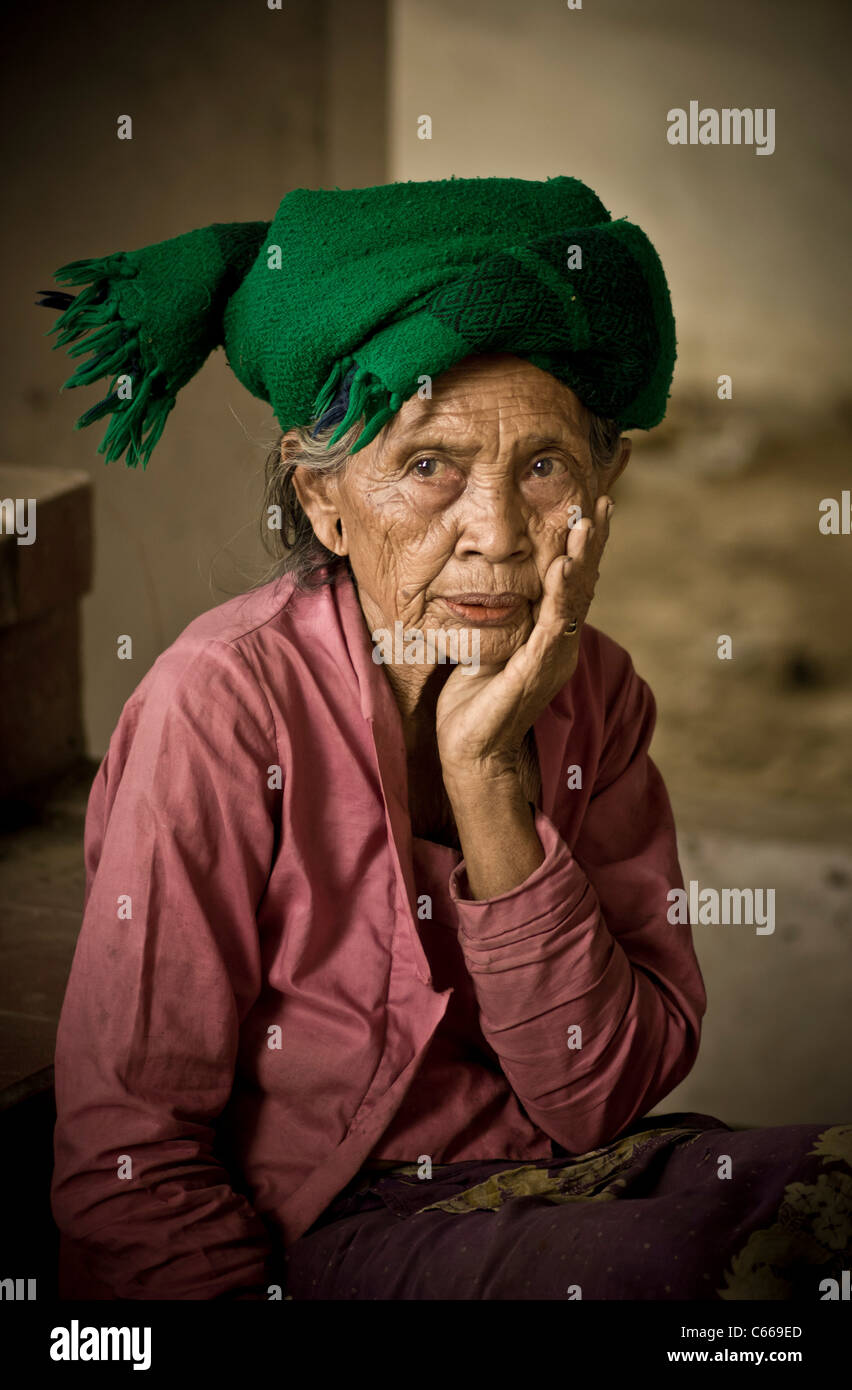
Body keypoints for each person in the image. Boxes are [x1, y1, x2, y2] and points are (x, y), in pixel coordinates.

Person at [41, 175, 850, 1300]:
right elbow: (128, 1161)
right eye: (428, 466)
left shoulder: (598, 690)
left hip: (576, 1176)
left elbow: (598, 1097)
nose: (498, 536)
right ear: (324, 500)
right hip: (344, 1225)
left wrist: (486, 779)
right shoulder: (221, 706)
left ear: (602, 489)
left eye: (544, 466)